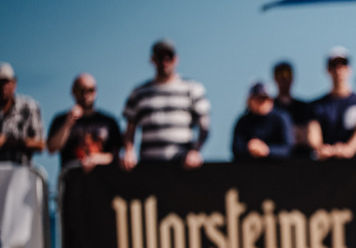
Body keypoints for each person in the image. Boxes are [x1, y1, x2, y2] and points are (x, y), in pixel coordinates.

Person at [121, 39, 210, 169]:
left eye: (169, 57)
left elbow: (204, 127)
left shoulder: (192, 89)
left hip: (182, 166)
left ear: (176, 59)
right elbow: (129, 129)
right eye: (160, 58)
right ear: (152, 60)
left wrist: (195, 151)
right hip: (149, 166)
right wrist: (129, 151)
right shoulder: (139, 93)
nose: (165, 62)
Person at [46, 73, 123, 172]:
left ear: (95, 92)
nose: (86, 94)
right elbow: (52, 148)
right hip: (72, 176)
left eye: (90, 90)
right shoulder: (61, 120)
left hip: (103, 177)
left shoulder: (109, 121)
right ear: (73, 92)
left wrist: (98, 159)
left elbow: (116, 155)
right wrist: (68, 123)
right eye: (82, 90)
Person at [312, 47, 356, 159]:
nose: (338, 70)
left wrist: (349, 149)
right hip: (326, 164)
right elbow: (312, 133)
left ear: (349, 69)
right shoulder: (318, 105)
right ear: (328, 70)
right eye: (334, 65)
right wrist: (322, 149)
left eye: (343, 64)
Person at [231, 81, 294, 161]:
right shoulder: (243, 122)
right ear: (249, 101)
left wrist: (267, 150)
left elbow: (288, 149)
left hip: (278, 167)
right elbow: (236, 149)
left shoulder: (281, 118)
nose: (261, 103)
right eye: (257, 99)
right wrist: (250, 149)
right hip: (250, 167)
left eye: (264, 99)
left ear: (271, 100)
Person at [272, 60, 320, 159]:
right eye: (280, 75)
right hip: (275, 161)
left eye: (287, 74)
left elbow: (314, 139)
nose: (284, 78)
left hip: (302, 160)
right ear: (275, 78)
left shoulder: (304, 107)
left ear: (293, 78)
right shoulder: (270, 108)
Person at [0, 62, 45, 165]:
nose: (3, 87)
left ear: (14, 83)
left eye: (6, 82)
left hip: (21, 170)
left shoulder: (29, 107)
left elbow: (40, 144)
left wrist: (7, 141)